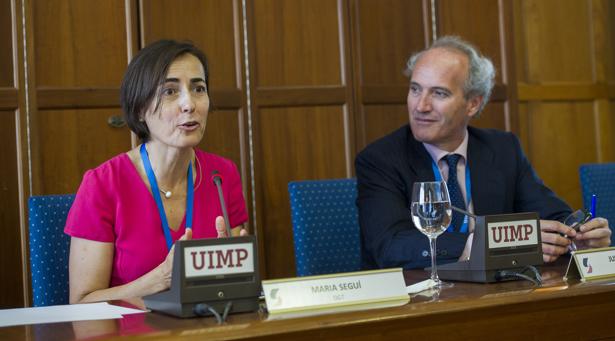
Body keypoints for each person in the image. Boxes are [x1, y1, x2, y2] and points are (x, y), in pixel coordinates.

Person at [355, 36, 611, 270]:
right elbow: (390, 246)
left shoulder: (502, 149)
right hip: (416, 298)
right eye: (415, 89)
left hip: (495, 294)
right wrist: (477, 245)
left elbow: (551, 214)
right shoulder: (380, 159)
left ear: (473, 103)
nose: (421, 106)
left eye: (439, 93)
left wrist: (578, 235)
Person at [65, 40, 248, 304]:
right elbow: (81, 302)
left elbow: (235, 292)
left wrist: (230, 272)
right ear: (140, 109)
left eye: (198, 88)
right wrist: (161, 278)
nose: (189, 104)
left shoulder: (222, 175)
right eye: (170, 92)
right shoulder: (102, 184)